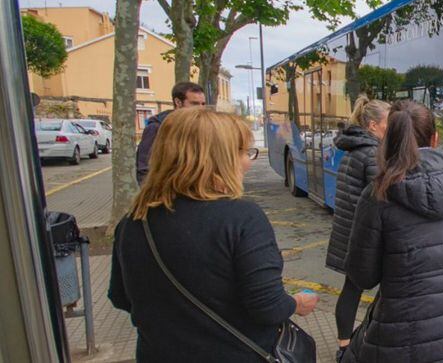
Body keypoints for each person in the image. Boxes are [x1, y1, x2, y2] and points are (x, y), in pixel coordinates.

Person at [109, 107, 317, 362]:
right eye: (242, 152)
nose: (248, 162)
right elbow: (268, 308)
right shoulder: (241, 219)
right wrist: (297, 303)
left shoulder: (133, 222)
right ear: (217, 159)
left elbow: (120, 297)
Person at [340, 101, 443, 363]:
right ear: (435, 138)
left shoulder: (378, 196)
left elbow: (362, 276)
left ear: (389, 140)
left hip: (402, 343)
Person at [325, 95, 389, 355]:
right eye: (388, 123)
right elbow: (383, 198)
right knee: (382, 290)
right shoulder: (372, 154)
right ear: (373, 126)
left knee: (351, 289)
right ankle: (357, 344)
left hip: (348, 233)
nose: (392, 129)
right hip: (363, 238)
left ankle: (344, 345)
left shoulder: (353, 150)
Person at [136, 82, 206, 184]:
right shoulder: (157, 128)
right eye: (194, 104)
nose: (200, 108)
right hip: (167, 194)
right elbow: (144, 169)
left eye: (203, 104)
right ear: (178, 102)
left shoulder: (201, 127)